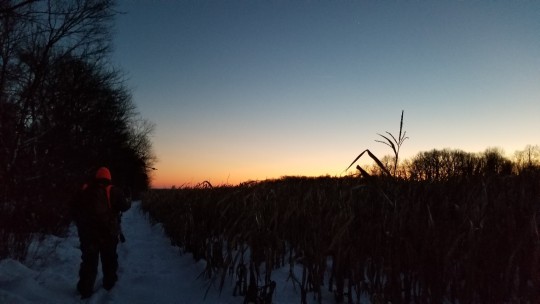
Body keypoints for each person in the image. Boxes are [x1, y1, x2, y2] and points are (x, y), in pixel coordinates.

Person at [71, 167, 131, 298]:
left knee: (88, 262)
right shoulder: (113, 191)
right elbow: (125, 207)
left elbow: (73, 209)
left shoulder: (85, 189)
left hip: (88, 235)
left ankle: (84, 290)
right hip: (108, 234)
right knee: (109, 260)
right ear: (109, 178)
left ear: (97, 177)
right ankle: (110, 286)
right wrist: (128, 196)